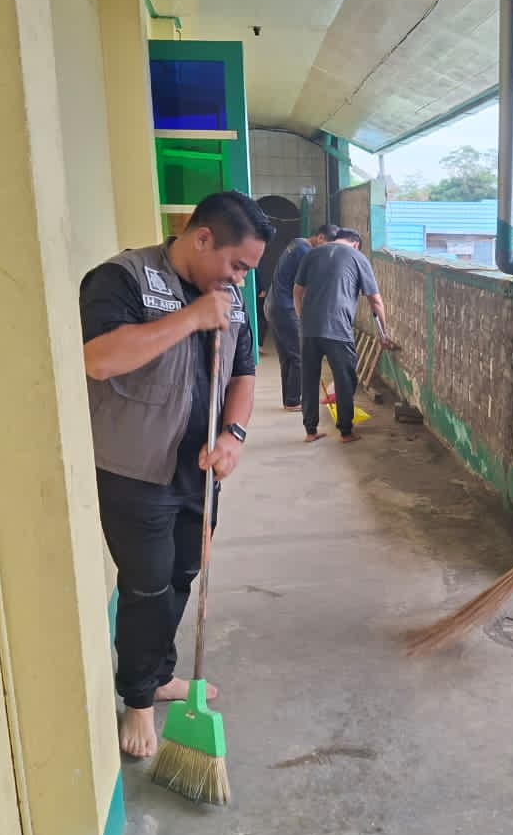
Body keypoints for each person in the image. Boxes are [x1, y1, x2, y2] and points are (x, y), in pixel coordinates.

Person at [80, 190, 274, 758]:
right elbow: (98, 359)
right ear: (202, 237)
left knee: (185, 570)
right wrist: (191, 318)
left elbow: (243, 373)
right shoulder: (123, 279)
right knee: (147, 583)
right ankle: (138, 699)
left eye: (248, 270)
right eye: (237, 264)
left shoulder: (231, 299)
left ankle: (160, 672)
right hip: (134, 470)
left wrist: (233, 435)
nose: (240, 279)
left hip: (199, 470)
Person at [294, 228, 387, 444]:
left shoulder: (312, 254)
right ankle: (346, 431)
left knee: (309, 379)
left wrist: (302, 319)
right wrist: (384, 334)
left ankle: (310, 431)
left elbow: (297, 291)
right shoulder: (358, 258)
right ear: (355, 244)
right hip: (338, 329)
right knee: (345, 379)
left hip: (308, 330)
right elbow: (375, 301)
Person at [267, 224, 338, 410]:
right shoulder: (305, 253)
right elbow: (303, 287)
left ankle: (290, 400)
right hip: (285, 308)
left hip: (274, 305)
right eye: (328, 245)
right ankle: (293, 400)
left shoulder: (297, 243)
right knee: (299, 355)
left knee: (288, 357)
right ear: (320, 238)